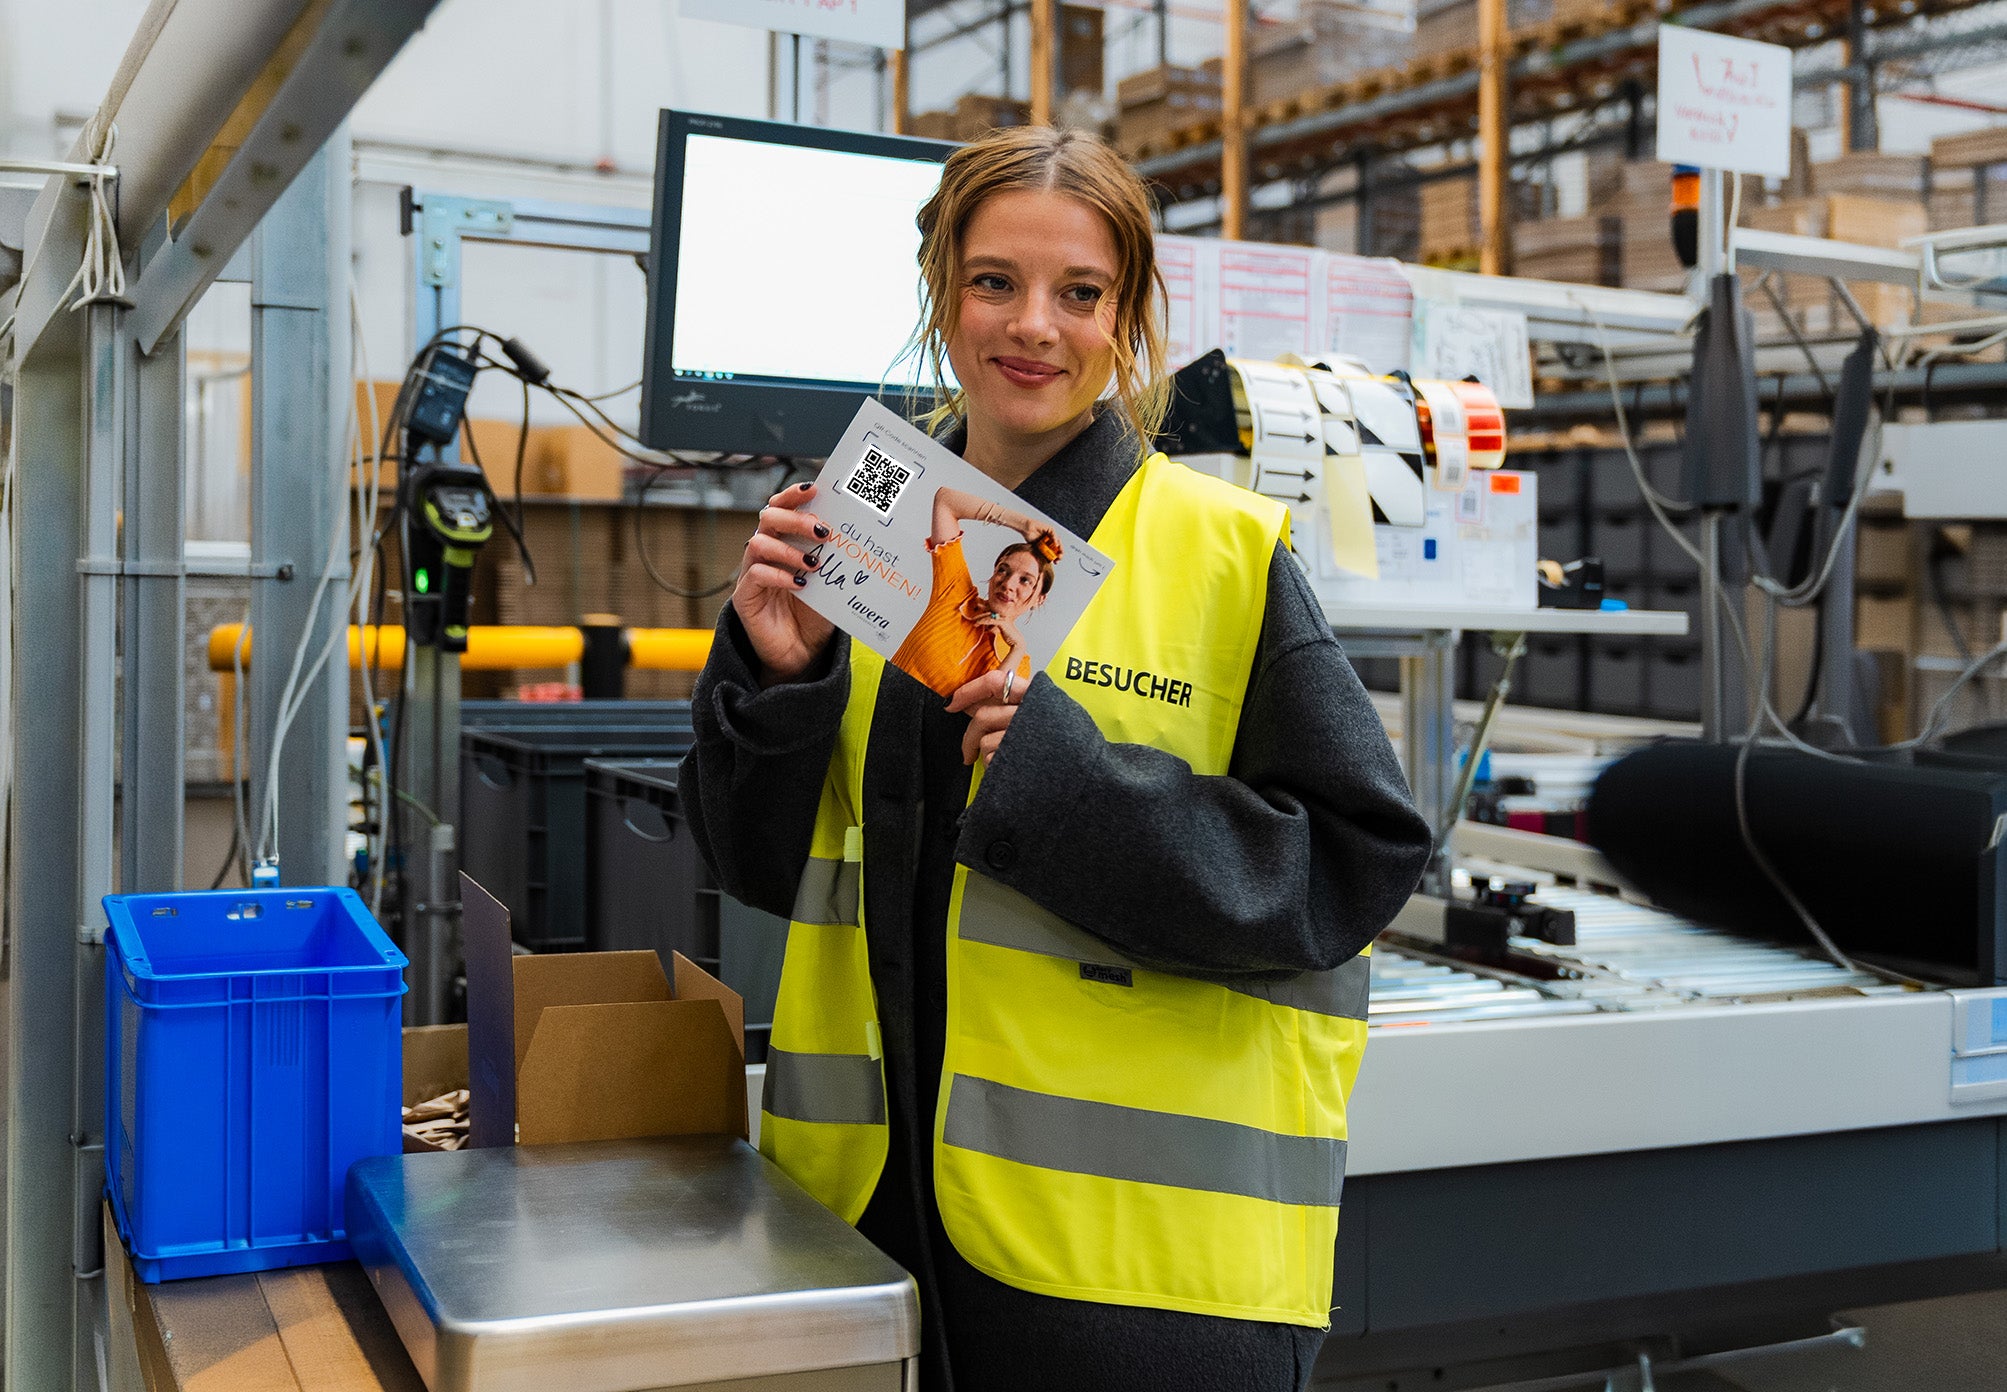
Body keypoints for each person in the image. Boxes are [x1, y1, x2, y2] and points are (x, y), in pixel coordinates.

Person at [684, 125, 1431, 1392]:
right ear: (942, 295)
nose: (1033, 325)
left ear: (1125, 317)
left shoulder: (1221, 552)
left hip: (1132, 1281)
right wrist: (784, 678)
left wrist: (1070, 788)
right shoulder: (871, 530)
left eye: (1079, 293)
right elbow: (755, 867)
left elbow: (1355, 866)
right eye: (994, 282)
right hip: (871, 1228)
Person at [890, 485, 1062, 697]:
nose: (1008, 584)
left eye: (1025, 580)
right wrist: (1023, 524)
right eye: (1003, 570)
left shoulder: (1020, 662)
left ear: (1039, 599)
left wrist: (1017, 648)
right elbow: (946, 501)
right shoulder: (955, 593)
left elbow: (987, 709)